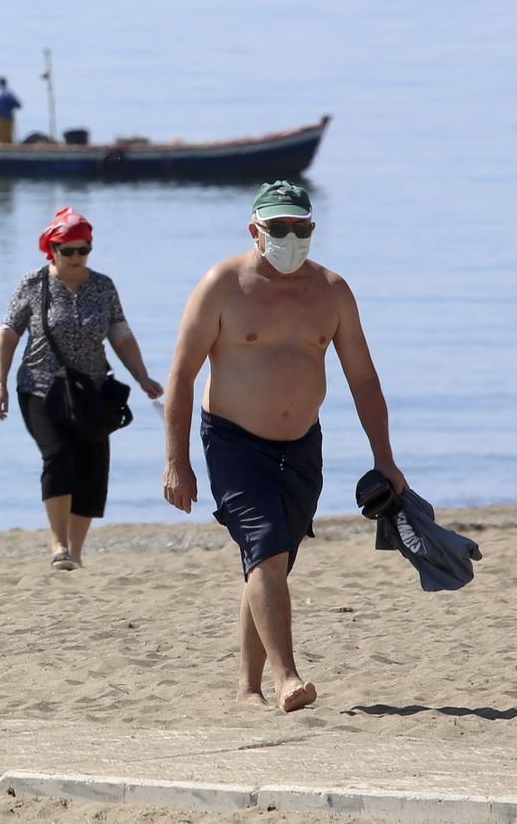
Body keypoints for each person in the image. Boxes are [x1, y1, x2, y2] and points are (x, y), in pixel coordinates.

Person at [161, 180, 408, 713]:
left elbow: (363, 379)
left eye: (301, 228)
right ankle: (286, 677)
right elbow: (181, 376)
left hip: (301, 445)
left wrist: (384, 457)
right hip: (232, 442)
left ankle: (247, 687)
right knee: (267, 549)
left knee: (270, 561)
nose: (291, 237)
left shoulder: (333, 291)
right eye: (278, 228)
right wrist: (176, 462)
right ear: (255, 229)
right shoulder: (221, 285)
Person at [0, 207, 164, 570]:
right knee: (58, 456)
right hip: (39, 388)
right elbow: (8, 334)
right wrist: (0, 385)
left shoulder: (103, 286)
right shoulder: (33, 284)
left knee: (92, 468)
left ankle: (76, 552)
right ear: (50, 249)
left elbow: (120, 334)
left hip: (91, 393)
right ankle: (58, 546)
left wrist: (143, 377)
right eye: (67, 250)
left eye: (82, 250)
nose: (75, 257)